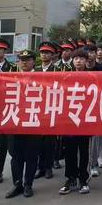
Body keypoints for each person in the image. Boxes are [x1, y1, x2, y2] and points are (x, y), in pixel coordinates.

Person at [5, 50, 42, 198]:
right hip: (15, 122)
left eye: (28, 59)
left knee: (31, 156)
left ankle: (28, 184)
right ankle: (17, 184)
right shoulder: (10, 77)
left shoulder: (42, 78)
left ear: (34, 61)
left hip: (34, 122)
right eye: (22, 59)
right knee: (16, 156)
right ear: (17, 62)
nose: (24, 62)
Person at [59, 49, 91, 195]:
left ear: (86, 61)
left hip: (85, 120)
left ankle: (83, 179)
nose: (78, 61)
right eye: (76, 58)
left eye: (81, 58)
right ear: (72, 61)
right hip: (69, 119)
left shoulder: (92, 77)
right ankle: (70, 178)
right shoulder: (66, 77)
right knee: (70, 151)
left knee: (84, 151)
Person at [34, 41, 58, 180]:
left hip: (51, 108)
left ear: (52, 55)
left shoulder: (57, 70)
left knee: (49, 141)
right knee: (37, 140)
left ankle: (48, 167)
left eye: (47, 53)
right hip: (37, 108)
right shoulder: (35, 70)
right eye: (42, 52)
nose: (44, 55)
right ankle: (40, 167)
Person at [0, 37, 17, 184]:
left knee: (11, 146)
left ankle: (17, 176)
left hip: (9, 109)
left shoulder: (14, 68)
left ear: (5, 51)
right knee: (0, 145)